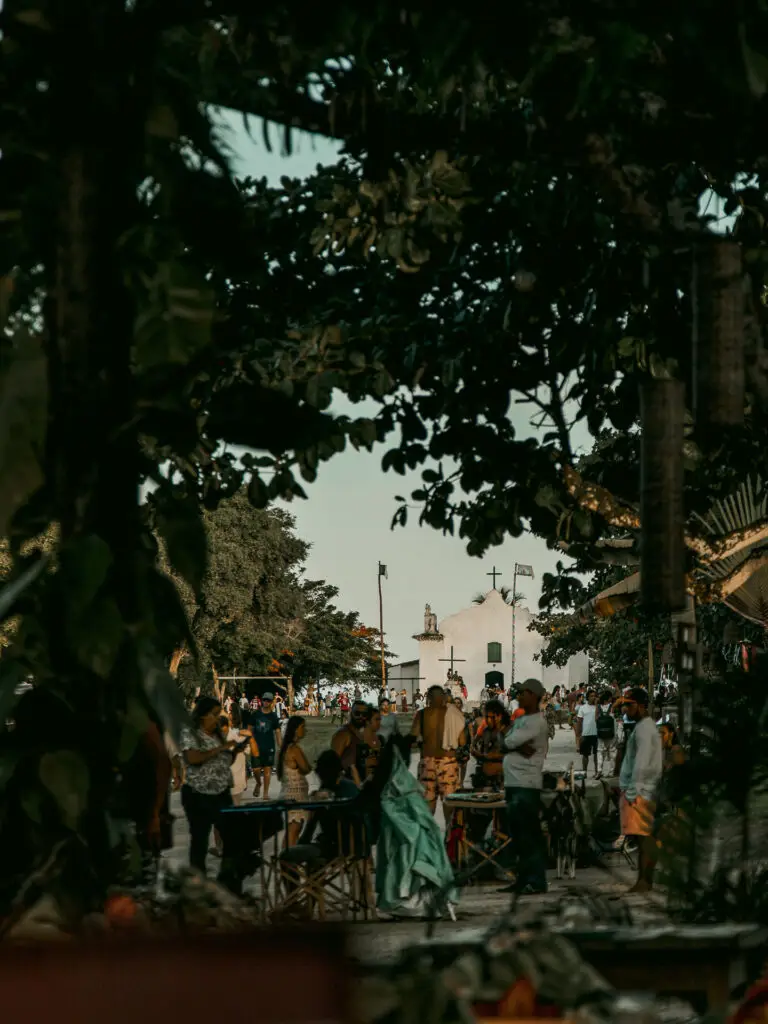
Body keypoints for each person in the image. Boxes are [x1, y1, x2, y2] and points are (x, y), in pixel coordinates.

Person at [179, 696, 242, 874]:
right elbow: (193, 758)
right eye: (214, 714)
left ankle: (228, 878)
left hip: (221, 792)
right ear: (202, 716)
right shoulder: (190, 733)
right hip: (199, 794)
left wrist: (234, 752)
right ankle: (198, 880)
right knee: (200, 840)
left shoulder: (216, 734)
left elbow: (223, 762)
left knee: (231, 837)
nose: (217, 718)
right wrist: (220, 749)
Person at [500, 678, 549, 895]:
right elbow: (505, 741)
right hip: (514, 782)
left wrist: (513, 745)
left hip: (525, 784)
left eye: (523, 693)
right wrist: (517, 747)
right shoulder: (522, 720)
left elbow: (509, 742)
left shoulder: (536, 722)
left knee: (529, 834)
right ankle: (522, 878)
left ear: (533, 695)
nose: (518, 697)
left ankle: (536, 880)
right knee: (518, 835)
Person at [619, 687, 663, 893]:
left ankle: (645, 881)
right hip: (641, 790)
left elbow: (642, 764)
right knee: (642, 837)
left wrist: (632, 792)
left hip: (641, 792)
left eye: (630, 705)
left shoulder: (645, 729)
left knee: (644, 838)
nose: (626, 709)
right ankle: (644, 880)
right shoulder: (642, 728)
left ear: (642, 706)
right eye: (625, 705)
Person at [410, 684, 468, 815]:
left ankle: (429, 835)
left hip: (427, 762)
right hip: (448, 763)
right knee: (450, 807)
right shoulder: (454, 714)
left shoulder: (422, 714)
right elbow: (462, 741)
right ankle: (448, 834)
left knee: (427, 810)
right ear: (443, 698)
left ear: (428, 698)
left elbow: (413, 737)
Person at [278, 716, 312, 846]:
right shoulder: (294, 749)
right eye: (302, 727)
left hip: (294, 794)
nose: (305, 730)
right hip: (295, 796)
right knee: (293, 830)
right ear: (295, 729)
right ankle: (288, 861)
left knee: (292, 831)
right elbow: (305, 768)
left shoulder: (289, 748)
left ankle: (287, 862)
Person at [249, 691, 281, 799]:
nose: (266, 702)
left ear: (272, 702)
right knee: (255, 769)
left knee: (268, 770)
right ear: (261, 700)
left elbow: (277, 731)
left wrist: (281, 746)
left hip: (269, 746)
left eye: (268, 700)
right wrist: (249, 742)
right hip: (256, 747)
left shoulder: (273, 716)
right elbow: (249, 729)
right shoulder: (256, 714)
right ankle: (258, 783)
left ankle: (265, 793)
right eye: (264, 700)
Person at [471, 699, 507, 791]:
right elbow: (483, 748)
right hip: (487, 776)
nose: (488, 720)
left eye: (491, 717)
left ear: (499, 716)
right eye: (486, 717)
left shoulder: (507, 731)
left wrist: (486, 756)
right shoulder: (486, 731)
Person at [331, 699, 368, 786]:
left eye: (364, 714)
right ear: (351, 713)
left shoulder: (362, 734)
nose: (361, 717)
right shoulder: (344, 734)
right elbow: (332, 762)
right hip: (349, 785)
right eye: (357, 713)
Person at [575, 689, 599, 776]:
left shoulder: (598, 707)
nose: (593, 698)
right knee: (585, 755)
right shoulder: (583, 708)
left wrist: (597, 705)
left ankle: (597, 772)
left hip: (596, 734)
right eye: (592, 696)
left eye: (595, 696)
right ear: (588, 697)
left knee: (596, 754)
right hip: (586, 734)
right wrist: (578, 735)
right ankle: (584, 772)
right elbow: (579, 722)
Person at [361, 705, 383, 780]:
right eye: (376, 720)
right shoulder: (360, 739)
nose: (379, 723)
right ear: (367, 721)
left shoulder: (379, 739)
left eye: (380, 720)